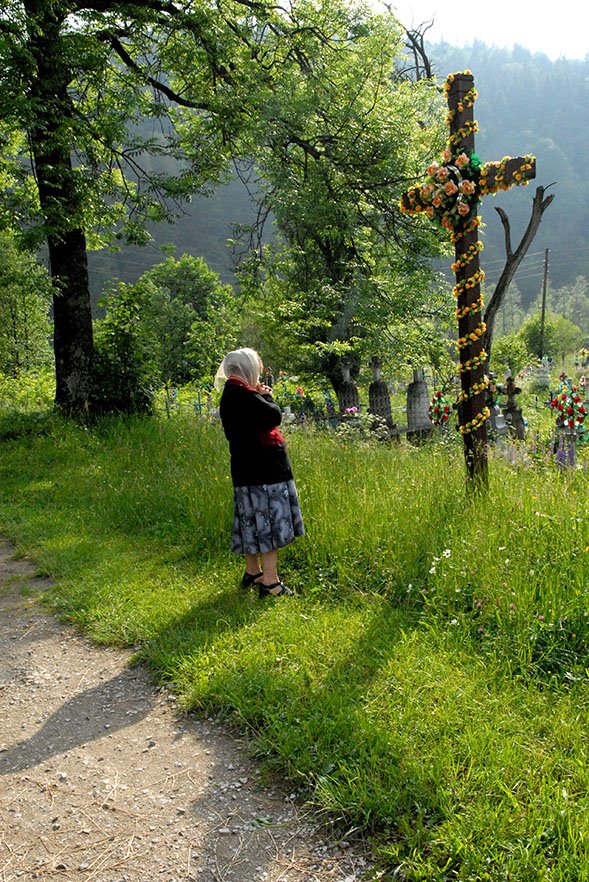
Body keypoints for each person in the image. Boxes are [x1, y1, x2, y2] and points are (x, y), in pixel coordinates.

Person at [215, 348, 304, 597]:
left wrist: (260, 396)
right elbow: (272, 416)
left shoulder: (231, 394)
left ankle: (253, 571)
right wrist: (268, 398)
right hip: (264, 473)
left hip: (246, 471)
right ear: (247, 369)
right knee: (269, 527)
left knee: (251, 522)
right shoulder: (244, 395)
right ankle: (270, 582)